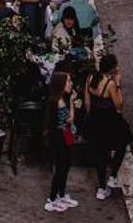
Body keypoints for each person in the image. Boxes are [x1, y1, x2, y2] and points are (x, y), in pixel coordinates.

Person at [85, 54, 132, 200]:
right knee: (123, 142)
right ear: (111, 69)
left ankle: (102, 187)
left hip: (95, 121)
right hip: (110, 122)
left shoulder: (90, 79)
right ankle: (112, 176)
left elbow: (87, 104)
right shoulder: (110, 84)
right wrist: (118, 83)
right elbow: (119, 105)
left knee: (100, 154)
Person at [43, 69, 79, 212]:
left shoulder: (60, 99)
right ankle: (53, 198)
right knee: (62, 167)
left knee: (66, 165)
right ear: (62, 84)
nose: (71, 83)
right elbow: (70, 119)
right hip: (62, 137)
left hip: (65, 135)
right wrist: (73, 104)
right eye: (69, 81)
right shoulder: (59, 102)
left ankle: (61, 194)